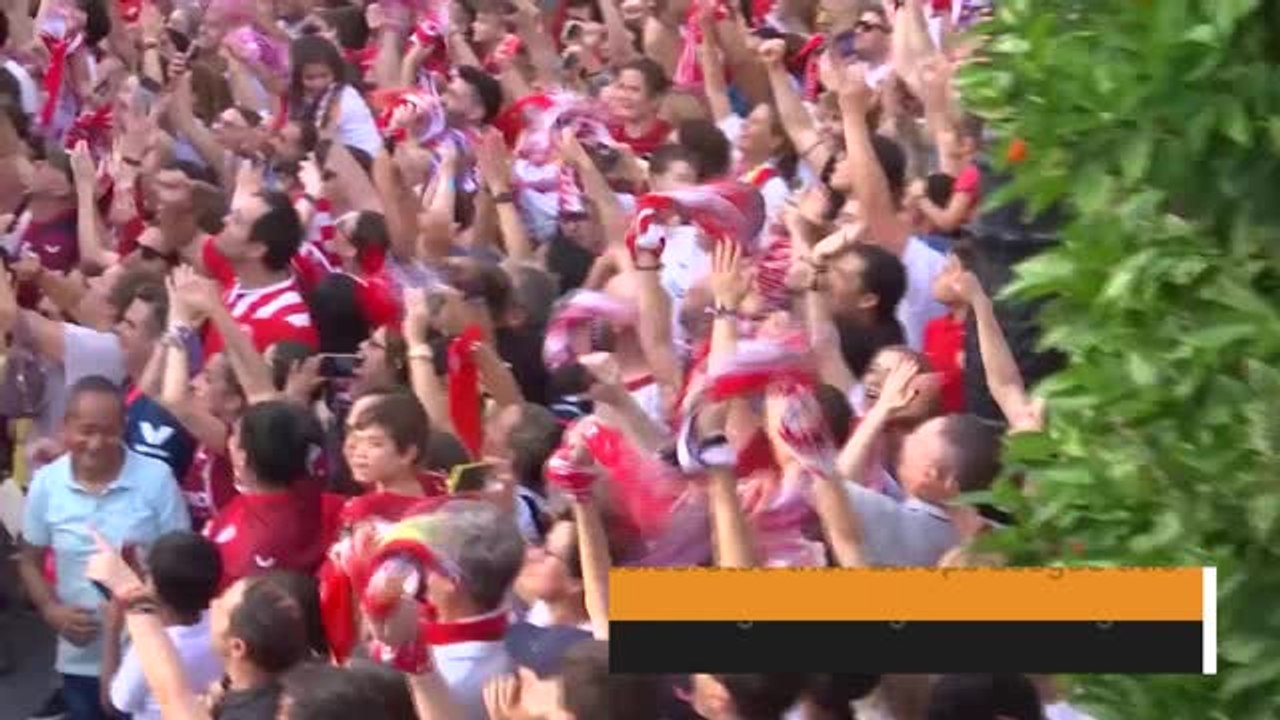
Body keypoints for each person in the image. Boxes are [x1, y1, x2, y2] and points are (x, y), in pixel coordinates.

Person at [17, 376, 190, 720]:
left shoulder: (156, 480)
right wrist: (51, 610)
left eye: (109, 431)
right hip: (80, 659)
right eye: (86, 430)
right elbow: (29, 560)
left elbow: (181, 563)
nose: (96, 443)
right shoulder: (47, 484)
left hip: (147, 655)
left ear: (124, 427)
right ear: (66, 427)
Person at [203, 401, 343, 588]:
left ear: (243, 458)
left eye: (234, 435)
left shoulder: (252, 546)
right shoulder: (323, 499)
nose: (228, 441)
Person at [108, 532, 225, 720]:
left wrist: (111, 629)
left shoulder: (150, 649)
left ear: (154, 588)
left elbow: (115, 704)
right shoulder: (224, 625)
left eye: (147, 574)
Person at [197, 190, 318, 353]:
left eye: (237, 220)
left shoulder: (288, 326)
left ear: (257, 249)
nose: (224, 220)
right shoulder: (238, 273)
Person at [608, 58, 674, 157]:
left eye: (634, 89)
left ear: (655, 99)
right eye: (621, 87)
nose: (624, 96)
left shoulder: (669, 140)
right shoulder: (608, 136)